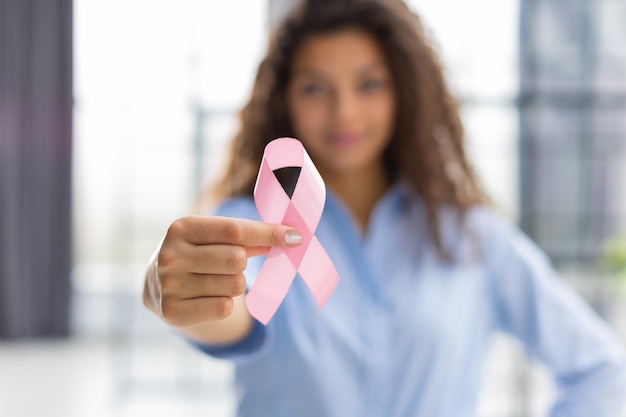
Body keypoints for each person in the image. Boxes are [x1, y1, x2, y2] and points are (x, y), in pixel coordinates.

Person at [143, 0, 626, 415]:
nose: (344, 112)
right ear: (285, 100)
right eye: (315, 87)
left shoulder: (472, 237)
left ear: (406, 93)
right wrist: (174, 293)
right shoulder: (252, 222)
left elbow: (600, 369)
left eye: (370, 84)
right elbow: (231, 315)